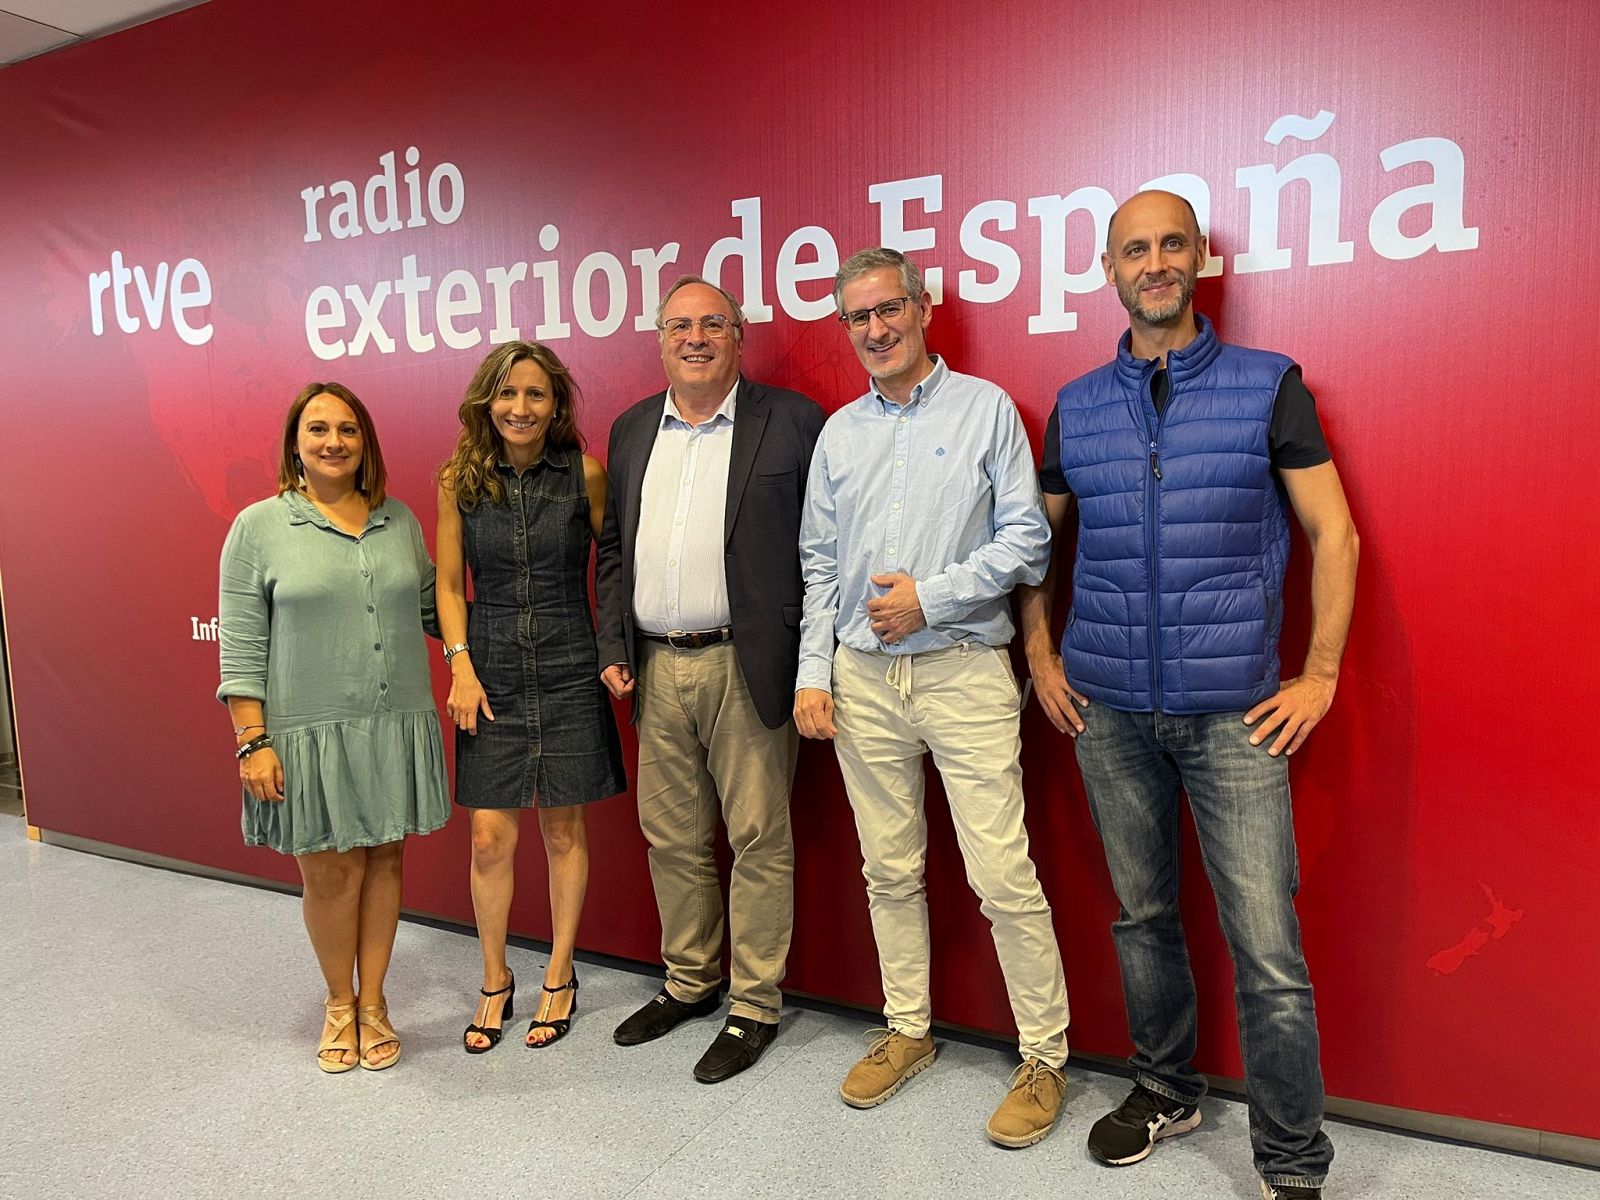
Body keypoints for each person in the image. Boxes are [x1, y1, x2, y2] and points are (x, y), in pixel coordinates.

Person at [1021, 190, 1359, 1200]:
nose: (1154, 262)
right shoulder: (1076, 404)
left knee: (1267, 945)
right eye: (1135, 248)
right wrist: (1039, 657)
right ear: (1109, 267)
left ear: (1201, 259)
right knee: (1142, 918)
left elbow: (1332, 536)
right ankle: (1166, 1089)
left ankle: (1293, 1158)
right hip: (1109, 713)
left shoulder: (1267, 386)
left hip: (1234, 715)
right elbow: (1036, 549)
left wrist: (1323, 672)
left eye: (1172, 244)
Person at [795, 247, 1072, 1148]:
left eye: (888, 310)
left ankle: (1044, 1055)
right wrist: (813, 671)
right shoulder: (838, 434)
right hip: (863, 679)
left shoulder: (986, 410)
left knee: (1001, 874)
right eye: (857, 318)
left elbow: (1028, 542)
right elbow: (818, 566)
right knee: (890, 869)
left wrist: (933, 596)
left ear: (923, 308)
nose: (874, 330)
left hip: (961, 670)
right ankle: (907, 1028)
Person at [594, 274, 824, 1083]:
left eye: (712, 324)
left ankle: (754, 1004)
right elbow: (614, 550)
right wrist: (613, 640)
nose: (695, 338)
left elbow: (822, 555)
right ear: (660, 338)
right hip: (655, 666)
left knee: (759, 838)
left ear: (739, 335)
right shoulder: (629, 431)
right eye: (679, 325)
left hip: (748, 663)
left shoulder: (792, 423)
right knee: (673, 838)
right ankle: (689, 982)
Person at [218, 382, 450, 1073]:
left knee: (384, 861)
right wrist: (250, 740)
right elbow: (241, 643)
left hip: (392, 722)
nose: (333, 442)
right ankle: (338, 1003)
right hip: (309, 732)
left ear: (365, 443)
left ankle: (374, 1002)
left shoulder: (399, 520)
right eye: (317, 429)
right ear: (295, 441)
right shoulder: (259, 527)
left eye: (347, 429)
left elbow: (438, 609)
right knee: (331, 872)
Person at [437, 341, 626, 1053]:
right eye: (508, 394)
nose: (521, 408)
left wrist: (613, 652)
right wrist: (460, 666)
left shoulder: (585, 475)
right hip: (489, 671)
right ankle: (494, 979)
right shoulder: (460, 480)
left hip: (571, 662)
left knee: (563, 830)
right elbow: (450, 587)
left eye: (536, 395)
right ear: (487, 401)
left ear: (557, 405)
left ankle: (559, 972)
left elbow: (611, 571)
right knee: (489, 834)